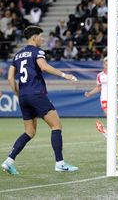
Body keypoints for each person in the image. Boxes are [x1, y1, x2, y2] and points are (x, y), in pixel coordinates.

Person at [2, 26, 78, 175]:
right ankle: (60, 163)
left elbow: (10, 78)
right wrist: (65, 75)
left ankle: (9, 161)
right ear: (34, 37)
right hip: (36, 93)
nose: (42, 39)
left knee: (29, 132)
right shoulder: (37, 51)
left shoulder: (17, 55)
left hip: (24, 96)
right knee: (56, 126)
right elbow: (43, 66)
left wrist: (18, 93)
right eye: (41, 36)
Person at [85, 57, 118, 126]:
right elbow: (98, 87)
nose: (107, 66)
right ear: (104, 65)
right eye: (106, 65)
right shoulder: (100, 75)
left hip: (116, 97)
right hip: (105, 97)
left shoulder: (117, 74)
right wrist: (90, 93)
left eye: (109, 65)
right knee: (109, 116)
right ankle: (111, 133)